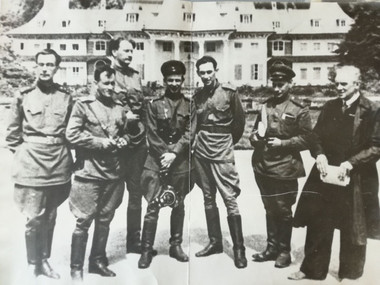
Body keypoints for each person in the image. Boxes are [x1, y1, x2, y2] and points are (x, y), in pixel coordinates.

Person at [289, 65, 380, 281]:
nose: (338, 87)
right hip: (325, 174)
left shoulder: (372, 110)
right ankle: (312, 269)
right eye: (336, 83)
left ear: (357, 85)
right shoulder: (330, 107)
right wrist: (319, 155)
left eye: (343, 84)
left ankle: (350, 273)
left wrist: (350, 163)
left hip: (355, 176)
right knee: (318, 221)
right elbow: (315, 137)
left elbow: (376, 147)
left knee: (352, 227)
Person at [5, 49, 73, 279]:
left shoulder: (66, 97)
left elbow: (71, 132)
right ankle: (33, 263)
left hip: (58, 163)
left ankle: (45, 260)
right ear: (35, 66)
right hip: (32, 164)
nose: (45, 68)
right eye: (41, 64)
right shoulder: (23, 96)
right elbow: (12, 136)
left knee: (51, 217)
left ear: (56, 68)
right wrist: (27, 154)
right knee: (34, 217)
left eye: (50, 65)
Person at [66, 65, 129, 281]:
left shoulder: (120, 107)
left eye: (113, 83)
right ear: (96, 83)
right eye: (106, 82)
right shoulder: (83, 106)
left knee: (105, 219)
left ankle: (97, 262)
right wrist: (100, 142)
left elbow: (128, 133)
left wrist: (123, 140)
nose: (110, 87)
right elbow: (72, 134)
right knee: (83, 221)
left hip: (113, 173)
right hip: (89, 172)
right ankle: (76, 268)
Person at [249, 61, 313, 268]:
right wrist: (255, 139)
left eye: (281, 84)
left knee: (283, 209)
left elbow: (307, 139)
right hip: (263, 166)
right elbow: (255, 132)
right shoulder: (265, 106)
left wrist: (283, 143)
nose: (277, 88)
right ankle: (271, 248)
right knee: (269, 208)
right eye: (274, 83)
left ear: (290, 84)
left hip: (286, 167)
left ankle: (284, 251)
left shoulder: (299, 109)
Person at [138, 60, 196, 268]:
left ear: (182, 81)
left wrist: (174, 154)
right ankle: (146, 250)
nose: (174, 83)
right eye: (170, 80)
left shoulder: (190, 106)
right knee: (153, 205)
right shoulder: (153, 105)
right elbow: (151, 133)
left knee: (178, 204)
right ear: (164, 81)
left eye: (177, 80)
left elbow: (190, 133)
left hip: (180, 162)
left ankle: (176, 245)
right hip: (156, 160)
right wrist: (165, 155)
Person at [193, 55, 247, 269]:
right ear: (198, 73)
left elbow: (240, 122)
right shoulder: (197, 96)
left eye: (209, 71)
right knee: (208, 197)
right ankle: (215, 242)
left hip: (222, 147)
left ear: (216, 70)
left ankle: (239, 249)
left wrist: (227, 144)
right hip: (201, 149)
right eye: (202, 72)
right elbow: (195, 123)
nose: (206, 76)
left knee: (229, 197)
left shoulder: (229, 92)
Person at [109, 37, 147, 254]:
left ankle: (134, 241)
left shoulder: (136, 76)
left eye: (132, 51)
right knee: (109, 193)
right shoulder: (106, 75)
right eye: (125, 50)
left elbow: (141, 107)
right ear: (114, 52)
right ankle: (99, 244)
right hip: (115, 141)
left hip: (136, 141)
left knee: (136, 192)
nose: (130, 54)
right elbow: (100, 107)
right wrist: (123, 116)